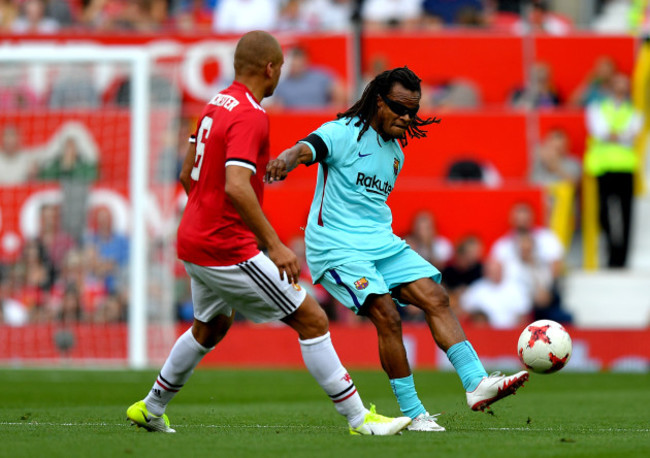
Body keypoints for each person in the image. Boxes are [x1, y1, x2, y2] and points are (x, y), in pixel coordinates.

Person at [126, 31, 410, 436]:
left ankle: (151, 407)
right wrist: (273, 245)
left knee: (211, 326)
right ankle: (359, 419)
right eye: (282, 67)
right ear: (270, 68)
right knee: (311, 318)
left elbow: (187, 172)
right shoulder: (250, 114)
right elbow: (237, 185)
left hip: (193, 238)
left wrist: (204, 215)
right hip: (226, 246)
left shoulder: (214, 104)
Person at [266, 66, 528, 432]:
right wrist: (285, 160)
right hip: (337, 247)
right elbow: (306, 148)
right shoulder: (341, 133)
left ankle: (476, 383)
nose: (407, 118)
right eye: (399, 108)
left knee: (437, 298)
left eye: (413, 111)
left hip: (380, 242)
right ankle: (415, 413)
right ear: (378, 101)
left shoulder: (395, 155)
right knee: (387, 315)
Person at [584, 72, 643, 268]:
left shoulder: (635, 112)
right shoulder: (597, 108)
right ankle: (612, 250)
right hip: (603, 167)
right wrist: (620, 136)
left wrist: (613, 135)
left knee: (626, 214)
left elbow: (628, 133)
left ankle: (622, 258)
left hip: (625, 167)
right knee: (603, 213)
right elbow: (599, 131)